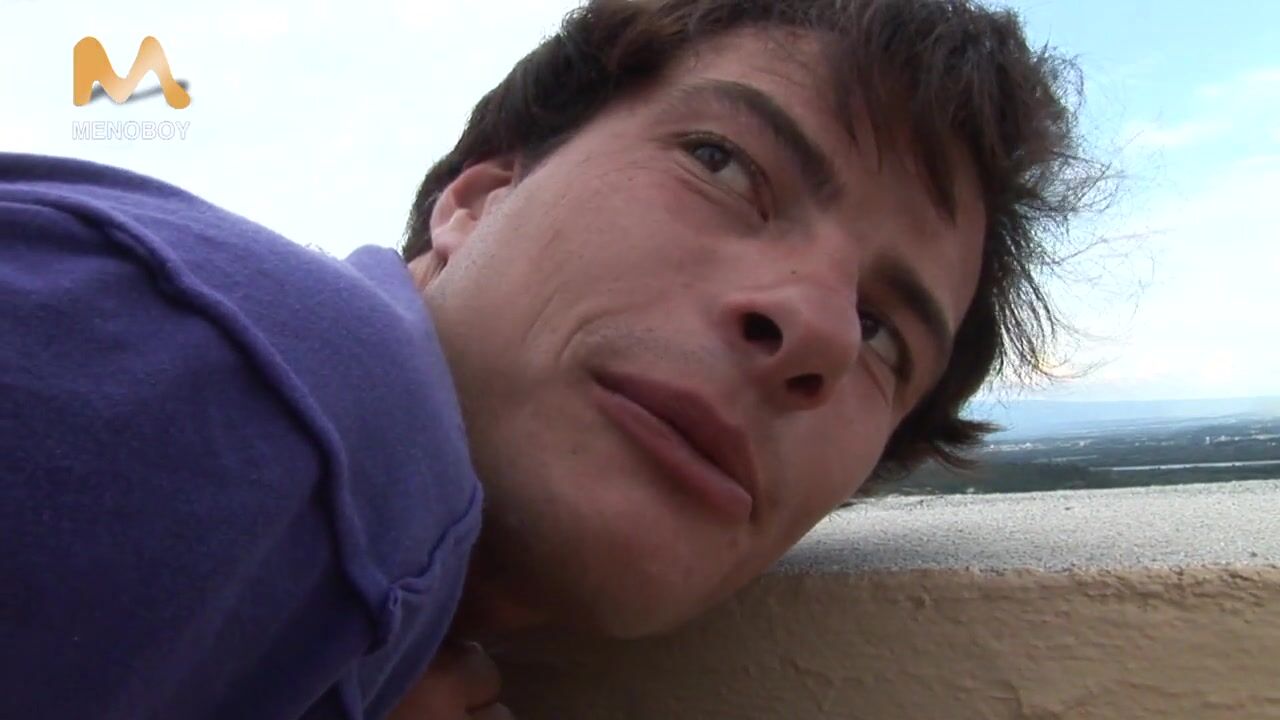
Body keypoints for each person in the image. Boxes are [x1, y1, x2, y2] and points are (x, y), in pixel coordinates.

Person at [0, 0, 1099, 717]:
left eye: (881, 334)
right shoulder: (293, 394)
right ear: (477, 199)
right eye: (722, 163)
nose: (815, 329)